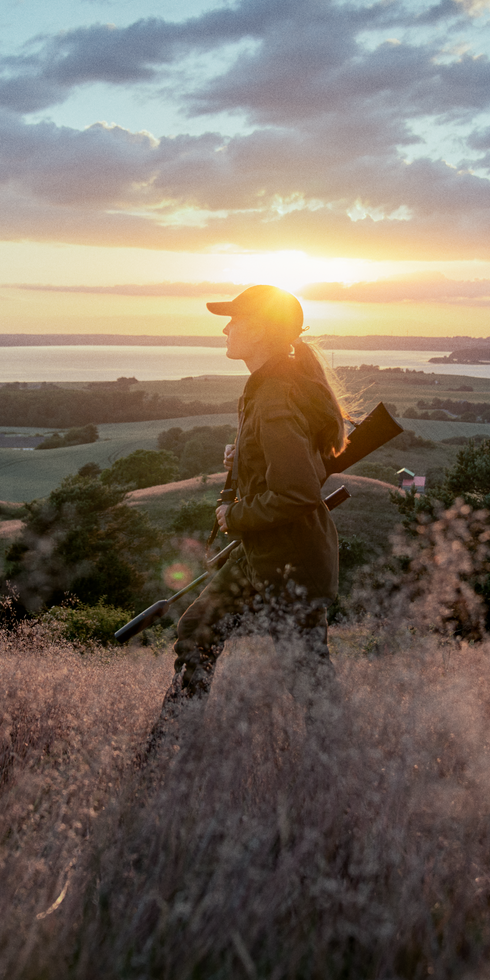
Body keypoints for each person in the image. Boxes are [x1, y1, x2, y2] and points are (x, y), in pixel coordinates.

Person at [149, 284, 348, 739]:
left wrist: (233, 517)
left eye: (235, 320)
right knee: (198, 629)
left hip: (288, 560)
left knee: (306, 671)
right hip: (266, 551)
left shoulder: (276, 394)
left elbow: (298, 491)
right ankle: (171, 747)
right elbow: (300, 463)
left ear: (260, 330)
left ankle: (340, 766)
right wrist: (244, 457)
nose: (226, 328)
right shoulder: (273, 387)